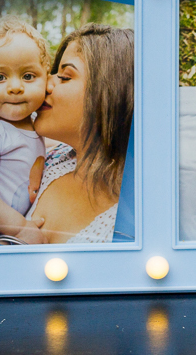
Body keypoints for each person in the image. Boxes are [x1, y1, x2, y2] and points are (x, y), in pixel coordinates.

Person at [25, 23, 135, 243]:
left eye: (64, 77)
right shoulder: (49, 161)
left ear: (110, 94)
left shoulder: (132, 225)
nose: (45, 84)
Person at [0, 16, 50, 244]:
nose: (15, 87)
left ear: (46, 78)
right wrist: (19, 227)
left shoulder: (40, 122)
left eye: (28, 76)